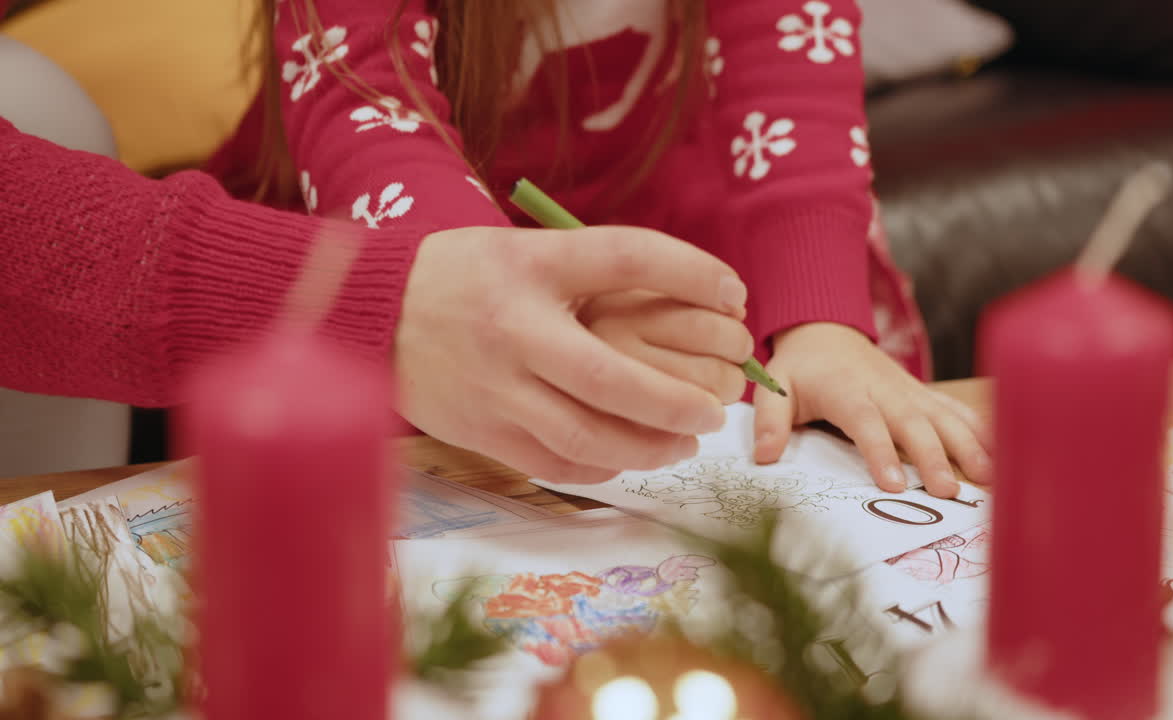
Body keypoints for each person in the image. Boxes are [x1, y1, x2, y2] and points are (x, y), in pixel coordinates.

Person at [212, 0, 991, 497]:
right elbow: (368, 110)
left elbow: (791, 51)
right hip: (410, 258)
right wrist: (500, 305)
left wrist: (822, 325)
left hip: (649, 221)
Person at [0, 1, 753, 484]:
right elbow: (358, 91)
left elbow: (793, 70)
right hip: (382, 304)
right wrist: (422, 297)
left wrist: (820, 316)